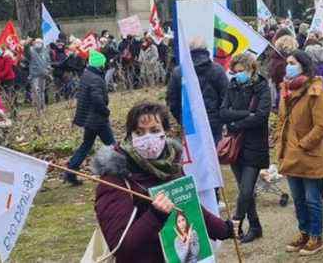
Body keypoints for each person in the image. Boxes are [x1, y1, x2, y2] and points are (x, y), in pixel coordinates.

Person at [92, 102, 233, 263]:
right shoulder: (115, 180)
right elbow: (122, 249)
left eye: (154, 130)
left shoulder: (171, 166)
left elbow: (189, 207)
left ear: (165, 133)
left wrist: (224, 229)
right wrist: (155, 215)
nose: (148, 138)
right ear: (130, 136)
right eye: (139, 132)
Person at [276, 50, 323, 255]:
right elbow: (282, 119)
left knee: (312, 199)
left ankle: (316, 236)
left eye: (292, 62)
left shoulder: (316, 91)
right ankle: (304, 232)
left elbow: (322, 126)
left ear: (303, 66)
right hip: (290, 154)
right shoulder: (285, 90)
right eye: (287, 62)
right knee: (298, 199)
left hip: (308, 155)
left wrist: (302, 145)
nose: (288, 66)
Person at [219, 52, 271, 244]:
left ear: (252, 69)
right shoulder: (232, 86)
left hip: (255, 145)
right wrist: (246, 114)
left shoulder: (261, 87)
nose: (238, 74)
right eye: (236, 71)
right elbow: (223, 112)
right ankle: (255, 226)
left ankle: (236, 222)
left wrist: (237, 122)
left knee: (247, 189)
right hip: (236, 146)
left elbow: (261, 116)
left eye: (242, 71)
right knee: (243, 189)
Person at [64, 50, 115, 186]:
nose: (105, 66)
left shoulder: (87, 74)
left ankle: (70, 171)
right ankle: (120, 173)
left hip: (89, 119)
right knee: (113, 146)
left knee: (86, 145)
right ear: (100, 65)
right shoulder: (96, 78)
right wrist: (106, 111)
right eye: (104, 64)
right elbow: (97, 99)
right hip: (98, 119)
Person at [166, 37, 228, 142]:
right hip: (213, 123)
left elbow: (172, 101)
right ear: (205, 49)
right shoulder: (218, 70)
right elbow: (226, 98)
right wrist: (220, 120)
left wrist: (182, 119)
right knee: (213, 154)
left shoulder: (178, 72)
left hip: (189, 122)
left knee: (193, 155)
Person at [28, 38, 51, 115]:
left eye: (40, 42)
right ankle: (38, 110)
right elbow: (26, 52)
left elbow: (48, 61)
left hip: (43, 75)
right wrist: (26, 44)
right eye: (37, 42)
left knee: (42, 92)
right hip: (34, 76)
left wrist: (48, 68)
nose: (38, 44)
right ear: (34, 43)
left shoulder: (45, 51)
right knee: (36, 92)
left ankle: (43, 107)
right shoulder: (31, 51)